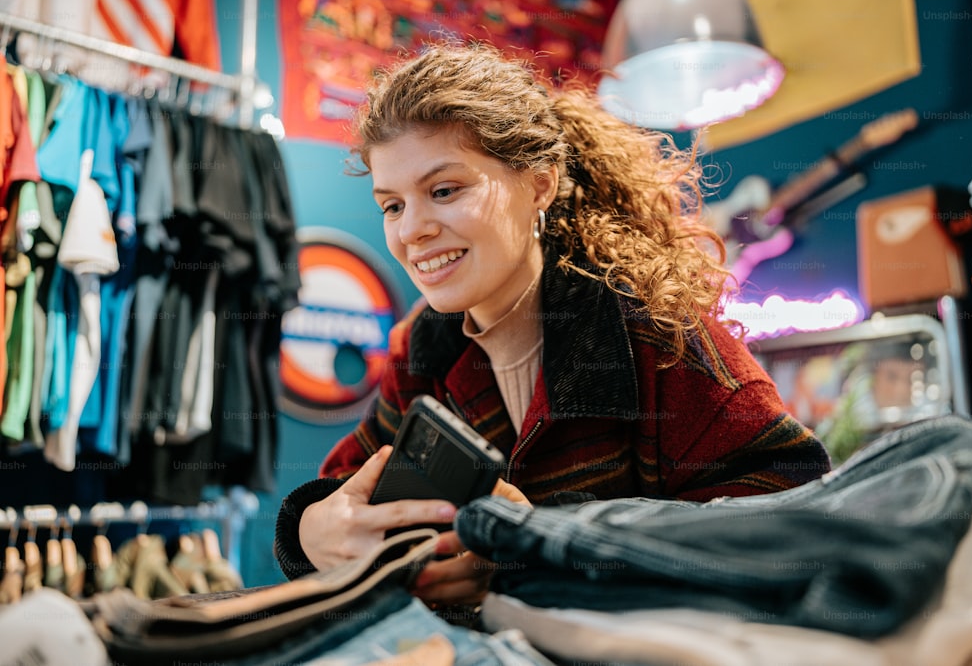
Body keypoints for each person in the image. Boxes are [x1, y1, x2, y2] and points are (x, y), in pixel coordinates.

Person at [274, 42, 832, 606]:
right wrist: (310, 530)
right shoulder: (422, 350)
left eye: (444, 191)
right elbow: (346, 486)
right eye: (391, 205)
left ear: (539, 184)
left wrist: (535, 552)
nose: (411, 231)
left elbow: (796, 514)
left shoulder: (657, 336)